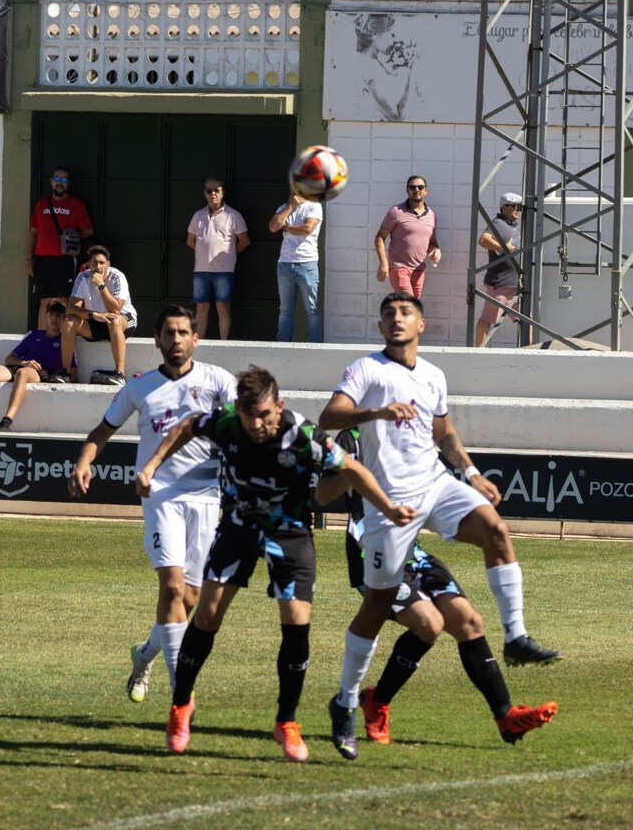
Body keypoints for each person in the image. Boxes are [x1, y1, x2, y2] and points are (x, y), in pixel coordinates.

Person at [320, 292, 562, 762]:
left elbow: (444, 432)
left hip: (434, 484)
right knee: (378, 609)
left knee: (495, 530)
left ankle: (515, 639)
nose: (395, 318)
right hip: (390, 509)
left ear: (422, 324)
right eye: (388, 313)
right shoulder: (367, 370)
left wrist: (471, 473)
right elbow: (329, 416)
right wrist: (374, 413)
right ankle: (348, 703)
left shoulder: (433, 375)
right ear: (380, 324)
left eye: (404, 312)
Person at [135, 366, 415, 762]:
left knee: (297, 622)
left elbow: (351, 469)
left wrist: (388, 507)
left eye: (265, 414)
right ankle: (181, 706)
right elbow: (186, 426)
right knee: (207, 615)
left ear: (279, 406)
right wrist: (152, 465)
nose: (258, 423)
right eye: (250, 415)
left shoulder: (302, 436)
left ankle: (286, 721)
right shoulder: (227, 422)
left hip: (290, 534)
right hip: (238, 529)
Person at [315, 427, 558, 749]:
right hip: (371, 550)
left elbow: (440, 445)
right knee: (429, 623)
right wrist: (357, 468)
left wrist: (468, 477)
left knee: (468, 621)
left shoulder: (408, 429)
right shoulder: (352, 437)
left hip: (413, 551)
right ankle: (374, 702)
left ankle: (506, 717)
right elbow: (322, 495)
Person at [67, 306, 235, 708]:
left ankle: (144, 655)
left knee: (189, 600)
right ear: (157, 340)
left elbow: (244, 426)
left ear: (195, 339)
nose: (176, 340)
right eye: (168, 333)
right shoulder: (139, 388)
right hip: (159, 496)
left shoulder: (218, 381)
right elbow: (102, 430)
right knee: (173, 587)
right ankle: (182, 699)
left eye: (183, 333)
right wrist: (84, 461)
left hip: (208, 497)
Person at [0, 300, 75, 431]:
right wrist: (24, 362)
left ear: (63, 318)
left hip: (36, 373)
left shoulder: (66, 341)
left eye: (58, 315)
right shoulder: (34, 335)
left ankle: (7, 421)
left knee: (23, 373)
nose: (54, 318)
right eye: (51, 314)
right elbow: (9, 359)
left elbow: (73, 374)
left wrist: (50, 376)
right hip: (19, 367)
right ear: (46, 316)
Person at [49, 245, 138, 386]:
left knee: (113, 322)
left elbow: (115, 309)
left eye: (102, 263)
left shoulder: (117, 276)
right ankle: (65, 372)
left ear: (108, 264)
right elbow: (71, 309)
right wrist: (94, 315)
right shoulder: (83, 277)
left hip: (121, 321)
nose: (98, 266)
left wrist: (101, 286)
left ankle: (120, 374)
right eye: (94, 263)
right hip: (96, 321)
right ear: (88, 264)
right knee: (68, 322)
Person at [27, 167, 94, 330]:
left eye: (64, 180)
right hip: (42, 259)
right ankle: (43, 340)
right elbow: (33, 232)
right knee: (44, 300)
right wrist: (29, 259)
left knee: (65, 299)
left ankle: (64, 338)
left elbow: (88, 230)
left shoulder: (75, 204)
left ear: (68, 184)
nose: (60, 183)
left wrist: (71, 239)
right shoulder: (42, 203)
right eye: (57, 179)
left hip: (64, 260)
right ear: (51, 182)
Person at [186, 178, 249, 340]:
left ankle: (224, 343)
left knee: (223, 307)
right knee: (201, 308)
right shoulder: (198, 216)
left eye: (216, 190)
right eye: (209, 191)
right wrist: (204, 252)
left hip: (224, 270)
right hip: (200, 270)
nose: (213, 194)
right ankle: (197, 342)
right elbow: (190, 241)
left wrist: (230, 254)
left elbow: (245, 241)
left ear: (223, 192)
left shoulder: (233, 215)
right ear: (204, 194)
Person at [269, 192, 323, 342]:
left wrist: (285, 227)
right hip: (284, 264)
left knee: (311, 309)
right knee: (285, 310)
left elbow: (307, 228)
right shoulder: (284, 207)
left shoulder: (314, 206)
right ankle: (283, 342)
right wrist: (290, 206)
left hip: (307, 263)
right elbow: (273, 227)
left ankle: (314, 344)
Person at [375, 176, 440, 298]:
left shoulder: (431, 215)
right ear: (407, 190)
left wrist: (436, 251)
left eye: (420, 187)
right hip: (399, 268)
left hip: (419, 270)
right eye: (412, 187)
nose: (416, 190)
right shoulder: (396, 212)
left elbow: (432, 242)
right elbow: (380, 237)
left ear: (426, 191)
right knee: (410, 306)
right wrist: (384, 263)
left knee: (412, 311)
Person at [475, 192, 523, 347]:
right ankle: (478, 352)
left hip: (514, 284)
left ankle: (528, 351)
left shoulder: (511, 226)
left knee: (526, 319)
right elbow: (483, 240)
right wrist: (505, 247)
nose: (518, 210)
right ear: (504, 208)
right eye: (515, 206)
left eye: (520, 207)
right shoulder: (498, 224)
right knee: (488, 319)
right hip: (500, 285)